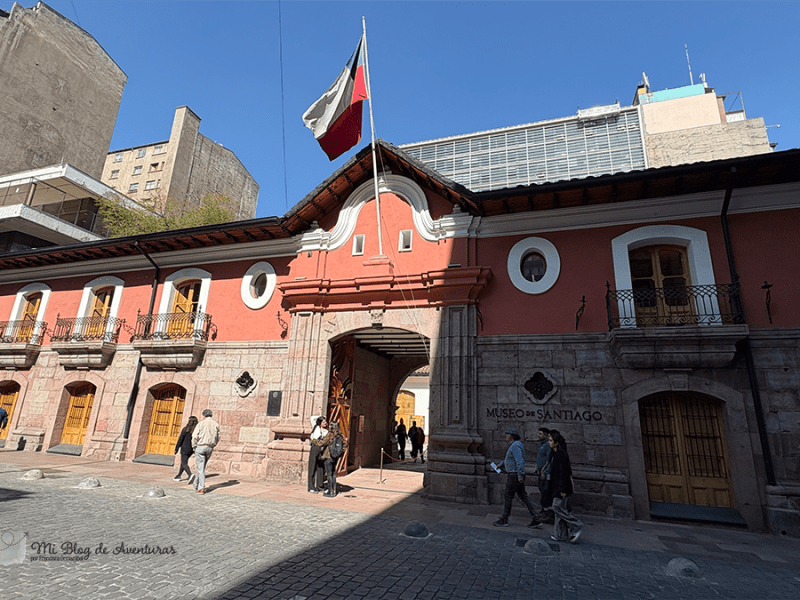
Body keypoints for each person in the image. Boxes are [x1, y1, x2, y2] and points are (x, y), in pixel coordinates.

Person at [493, 428, 541, 528]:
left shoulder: (515, 446)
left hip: (514, 475)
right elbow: (510, 459)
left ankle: (504, 519)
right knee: (523, 496)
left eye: (507, 434)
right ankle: (535, 518)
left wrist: (520, 475)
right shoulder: (515, 445)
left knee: (508, 496)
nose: (505, 436)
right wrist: (501, 465)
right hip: (515, 474)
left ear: (511, 436)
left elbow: (519, 461)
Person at [548, 431, 582, 543]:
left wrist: (562, 489)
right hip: (556, 486)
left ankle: (576, 524)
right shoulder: (555, 453)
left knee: (556, 507)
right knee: (559, 512)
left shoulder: (561, 454)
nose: (549, 443)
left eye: (551, 440)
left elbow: (564, 473)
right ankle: (560, 535)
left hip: (562, 488)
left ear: (556, 442)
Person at [191, 409, 220, 495]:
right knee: (201, 468)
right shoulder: (216, 424)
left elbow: (194, 436)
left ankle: (201, 487)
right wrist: (214, 444)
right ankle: (195, 484)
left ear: (204, 415)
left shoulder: (201, 423)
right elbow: (218, 437)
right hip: (210, 447)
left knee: (200, 468)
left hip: (201, 446)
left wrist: (194, 446)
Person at [321, 421, 345, 498]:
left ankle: (330, 491)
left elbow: (322, 442)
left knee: (329, 474)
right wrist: (339, 453)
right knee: (333, 473)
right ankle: (334, 490)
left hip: (329, 456)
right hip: (336, 457)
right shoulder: (340, 436)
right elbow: (344, 445)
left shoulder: (330, 435)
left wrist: (314, 440)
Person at [534, 426, 553, 522]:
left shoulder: (547, 445)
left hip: (546, 473)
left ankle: (549, 513)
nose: (538, 435)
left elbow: (549, 460)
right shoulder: (541, 444)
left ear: (546, 436)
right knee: (542, 490)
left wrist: (544, 471)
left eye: (540, 434)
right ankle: (544, 510)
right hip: (540, 471)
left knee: (546, 492)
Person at [173, 415, 198, 483]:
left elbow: (180, 439)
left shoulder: (186, 429)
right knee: (183, 462)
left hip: (185, 448)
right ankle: (178, 475)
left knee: (184, 463)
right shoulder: (196, 430)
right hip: (192, 449)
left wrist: (176, 448)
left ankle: (190, 474)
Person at [308, 416, 328, 493]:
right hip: (314, 448)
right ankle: (311, 487)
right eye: (323, 422)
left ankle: (320, 486)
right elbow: (312, 418)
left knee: (321, 468)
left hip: (321, 449)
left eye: (325, 422)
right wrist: (321, 416)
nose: (325, 423)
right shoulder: (315, 427)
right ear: (320, 423)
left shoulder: (326, 431)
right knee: (312, 467)